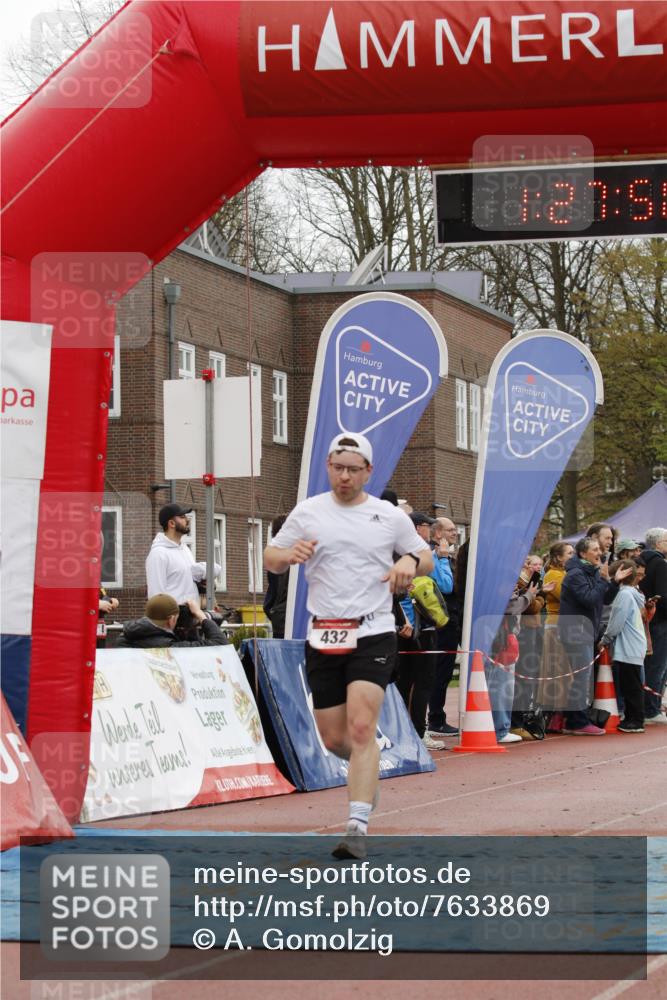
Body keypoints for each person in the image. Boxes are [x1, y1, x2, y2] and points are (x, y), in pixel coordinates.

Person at [264, 431, 433, 860]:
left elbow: (426, 556)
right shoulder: (308, 511)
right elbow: (270, 556)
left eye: (353, 470)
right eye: (337, 468)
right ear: (328, 467)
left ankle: (356, 825)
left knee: (361, 727)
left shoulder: (388, 516)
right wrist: (288, 555)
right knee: (335, 737)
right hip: (323, 632)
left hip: (373, 630)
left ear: (368, 472)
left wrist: (408, 561)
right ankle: (367, 766)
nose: (344, 476)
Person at [558, 537, 632, 734]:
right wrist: (604, 580)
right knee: (582, 677)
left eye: (599, 549)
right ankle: (576, 722)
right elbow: (589, 599)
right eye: (595, 549)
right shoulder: (575, 574)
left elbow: (605, 598)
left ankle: (575, 718)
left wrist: (614, 582)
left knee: (584, 677)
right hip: (575, 630)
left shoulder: (591, 572)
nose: (599, 552)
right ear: (583, 554)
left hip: (586, 630)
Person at [599, 561, 647, 733]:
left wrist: (605, 638)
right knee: (632, 683)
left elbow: (617, 621)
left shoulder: (624, 595)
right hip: (634, 645)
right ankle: (633, 717)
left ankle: (636, 720)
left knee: (631, 685)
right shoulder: (633, 593)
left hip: (629, 646)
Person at [145, 503, 220, 605]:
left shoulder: (184, 549)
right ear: (171, 523)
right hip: (174, 617)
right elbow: (156, 596)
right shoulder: (158, 554)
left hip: (191, 615)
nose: (187, 520)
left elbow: (184, 581)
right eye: (182, 517)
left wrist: (201, 581)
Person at [427, 516, 460, 738]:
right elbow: (447, 586)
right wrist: (443, 559)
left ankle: (437, 718)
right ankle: (435, 720)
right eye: (450, 530)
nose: (455, 532)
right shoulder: (436, 556)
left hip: (450, 620)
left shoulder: (446, 556)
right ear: (437, 534)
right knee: (440, 671)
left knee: (445, 672)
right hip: (441, 622)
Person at [538, 540, 575, 731]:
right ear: (559, 557)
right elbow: (569, 597)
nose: (573, 556)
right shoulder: (554, 574)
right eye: (569, 553)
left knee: (564, 672)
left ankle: (559, 715)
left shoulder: (564, 573)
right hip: (555, 626)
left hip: (564, 625)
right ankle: (555, 717)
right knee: (558, 673)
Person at [116, 594, 229, 648]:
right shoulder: (170, 646)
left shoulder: (123, 639)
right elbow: (220, 643)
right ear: (171, 619)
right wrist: (200, 615)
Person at [638, 527, 667, 725]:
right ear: (658, 544)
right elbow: (663, 595)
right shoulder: (660, 564)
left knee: (651, 664)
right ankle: (652, 708)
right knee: (658, 665)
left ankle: (650, 706)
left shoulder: (642, 562)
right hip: (660, 621)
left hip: (648, 620)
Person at [263, 514, 289, 638]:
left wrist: (275, 613)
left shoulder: (275, 560)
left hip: (280, 621)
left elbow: (269, 601)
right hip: (289, 621)